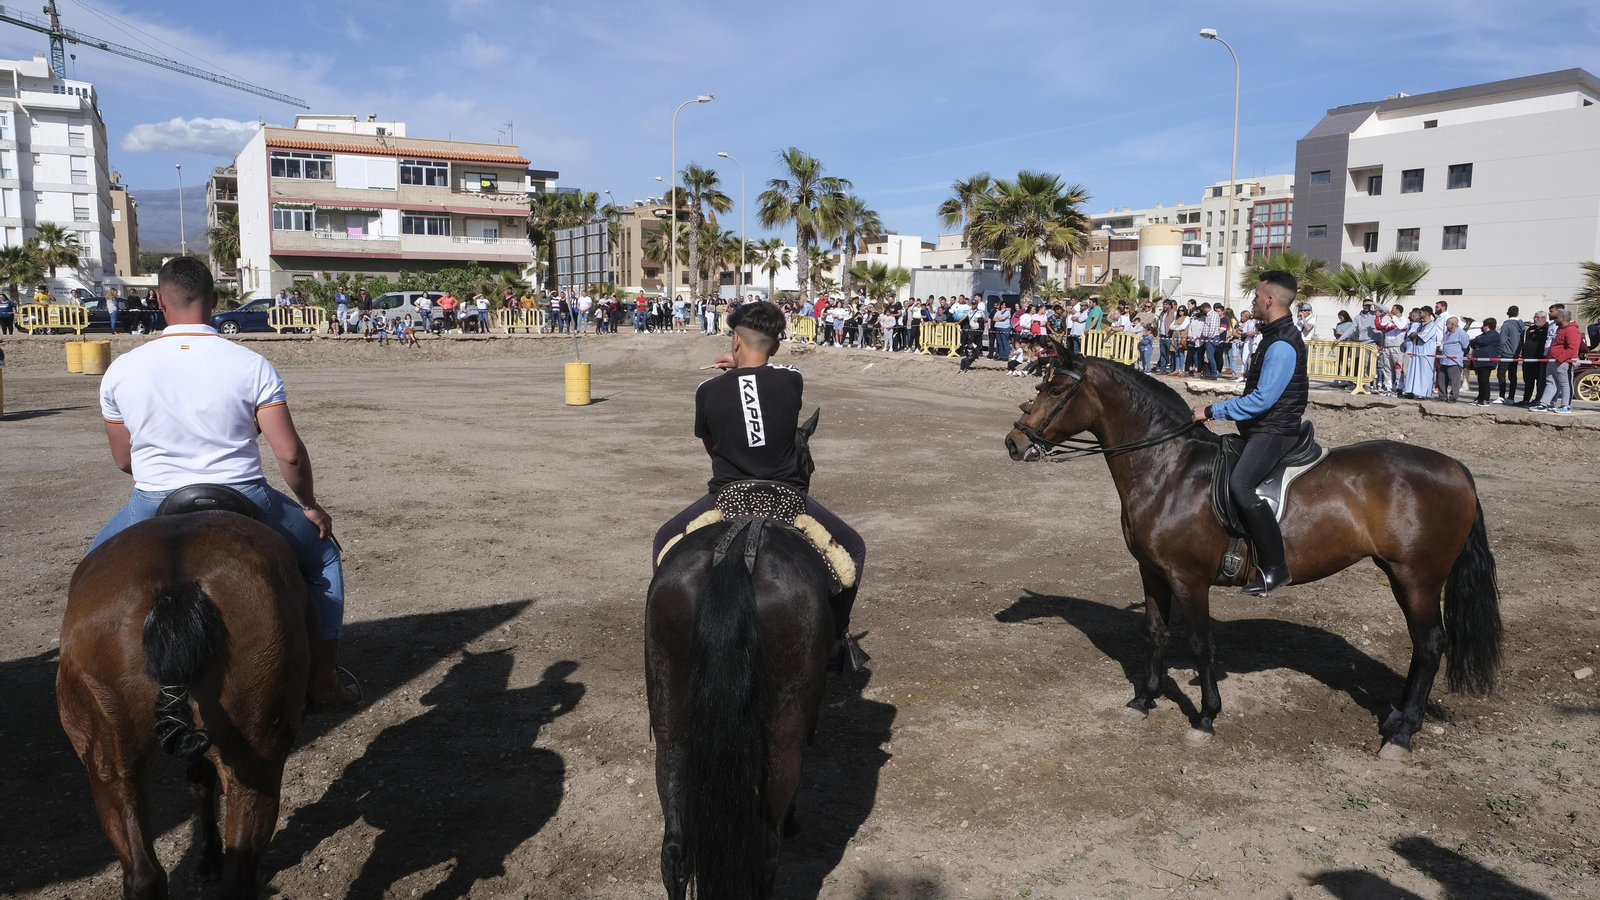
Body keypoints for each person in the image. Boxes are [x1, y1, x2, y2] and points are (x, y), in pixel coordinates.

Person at [88, 257, 357, 707]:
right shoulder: (251, 365)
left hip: (154, 499)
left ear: (159, 300)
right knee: (324, 558)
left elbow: (123, 460)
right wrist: (309, 503)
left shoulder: (121, 371)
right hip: (245, 498)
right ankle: (324, 680)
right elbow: (288, 453)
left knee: (91, 575)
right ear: (214, 300)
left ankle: (90, 687)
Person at [651, 301, 867, 671]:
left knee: (662, 542)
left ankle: (665, 640)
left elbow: (713, 448)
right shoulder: (791, 379)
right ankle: (835, 639)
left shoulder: (707, 390)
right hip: (786, 498)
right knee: (854, 549)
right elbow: (765, 374)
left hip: (728, 496)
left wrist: (732, 368)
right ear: (776, 345)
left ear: (735, 339)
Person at [1191, 270, 1307, 596]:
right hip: (1263, 427)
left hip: (1275, 431)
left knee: (1241, 485)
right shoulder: (1271, 335)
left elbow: (1262, 399)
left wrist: (1212, 410)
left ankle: (1275, 567)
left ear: (1270, 299)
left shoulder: (1282, 344)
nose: (1253, 301)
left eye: (1256, 296)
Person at [1535, 308, 1581, 413]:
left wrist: (1560, 359)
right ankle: (1543, 404)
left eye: (1557, 317)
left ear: (1564, 318)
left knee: (1566, 384)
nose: (1555, 319)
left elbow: (1572, 348)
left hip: (1564, 362)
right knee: (1550, 383)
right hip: (1552, 362)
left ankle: (1566, 406)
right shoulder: (1559, 329)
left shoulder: (1572, 330)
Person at [1518, 311, 1549, 406]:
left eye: (1537, 317)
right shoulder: (1530, 329)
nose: (1535, 319)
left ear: (1544, 318)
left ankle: (1538, 400)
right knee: (1528, 381)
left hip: (1539, 359)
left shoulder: (1547, 328)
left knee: (1540, 381)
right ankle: (1526, 399)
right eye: (1534, 317)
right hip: (1527, 359)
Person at [1468, 318, 1501, 406]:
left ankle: (1486, 398)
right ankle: (1480, 397)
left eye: (1484, 325)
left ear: (1488, 326)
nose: (1482, 327)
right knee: (1480, 380)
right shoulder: (1484, 334)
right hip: (1479, 361)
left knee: (1484, 380)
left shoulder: (1493, 334)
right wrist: (1475, 342)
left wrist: (1476, 342)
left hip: (1487, 361)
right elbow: (1473, 342)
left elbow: (1480, 341)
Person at [1495, 306, 1524, 404]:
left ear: (1507, 313)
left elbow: (1502, 340)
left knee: (1501, 374)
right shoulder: (1522, 326)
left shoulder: (1506, 325)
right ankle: (1511, 397)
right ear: (1518, 314)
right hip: (1515, 354)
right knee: (1513, 376)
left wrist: (1499, 352)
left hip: (1506, 353)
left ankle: (1501, 396)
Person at [1436, 317, 1469, 402]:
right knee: (1442, 380)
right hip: (1444, 360)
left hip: (1454, 362)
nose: (1446, 325)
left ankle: (1453, 397)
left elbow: (1466, 347)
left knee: (1454, 381)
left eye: (1447, 323)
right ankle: (1442, 396)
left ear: (1453, 325)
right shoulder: (1446, 332)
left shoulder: (1461, 333)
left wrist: (1460, 356)